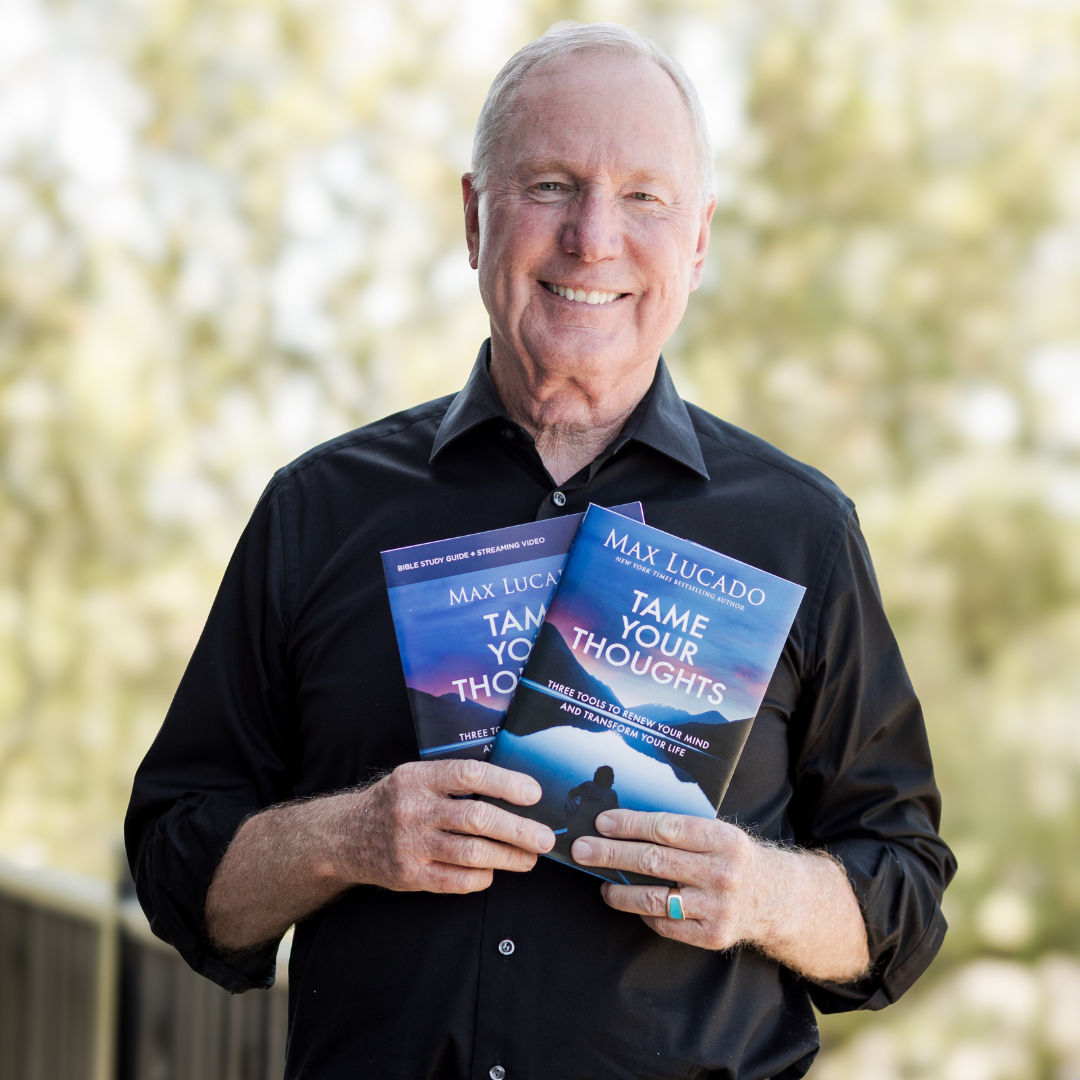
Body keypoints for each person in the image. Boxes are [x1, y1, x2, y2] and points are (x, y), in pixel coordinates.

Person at [126, 21, 955, 1080]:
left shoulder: (801, 532)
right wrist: (351, 837)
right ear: (474, 218)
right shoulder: (317, 510)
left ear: (697, 241)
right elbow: (174, 864)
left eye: (644, 196)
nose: (593, 237)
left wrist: (763, 890)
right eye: (553, 184)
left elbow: (904, 896)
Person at [564, 766, 620, 848]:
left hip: (575, 827)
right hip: (595, 833)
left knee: (570, 798)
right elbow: (616, 812)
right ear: (610, 780)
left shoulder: (587, 785)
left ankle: (571, 824)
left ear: (596, 776)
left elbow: (572, 793)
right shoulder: (612, 794)